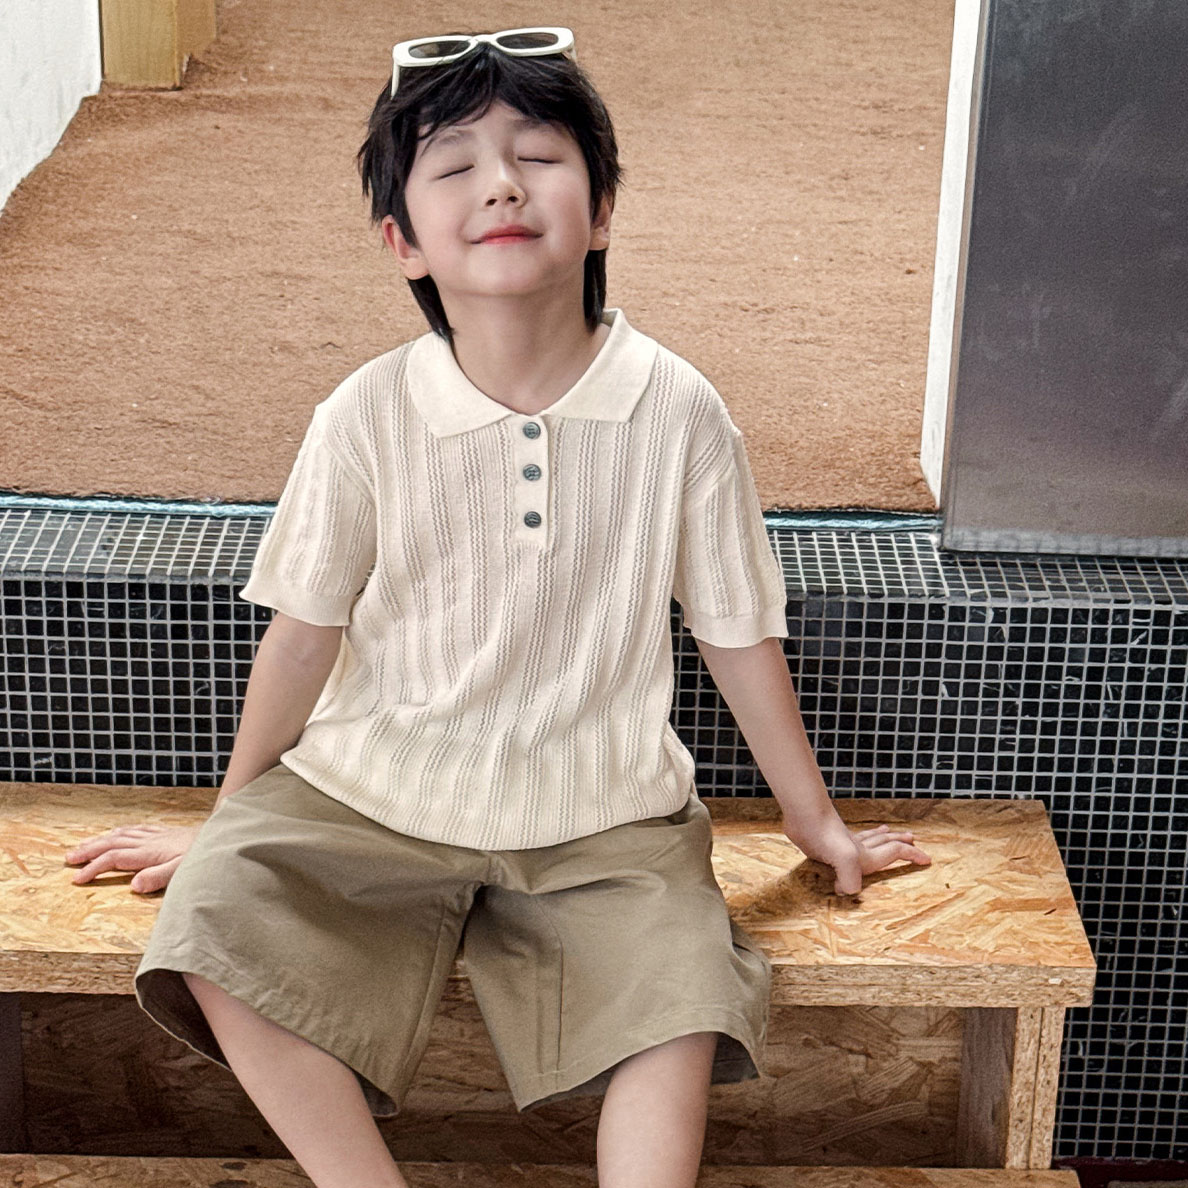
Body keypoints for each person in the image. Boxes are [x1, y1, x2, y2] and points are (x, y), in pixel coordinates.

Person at [63, 27, 931, 1188]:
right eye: (455, 164)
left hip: (608, 819)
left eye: (539, 155)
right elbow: (303, 636)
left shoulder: (679, 410)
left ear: (603, 210)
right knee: (214, 926)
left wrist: (813, 821)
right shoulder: (364, 415)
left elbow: (736, 632)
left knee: (681, 1001)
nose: (503, 184)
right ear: (402, 241)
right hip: (368, 799)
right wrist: (229, 827)